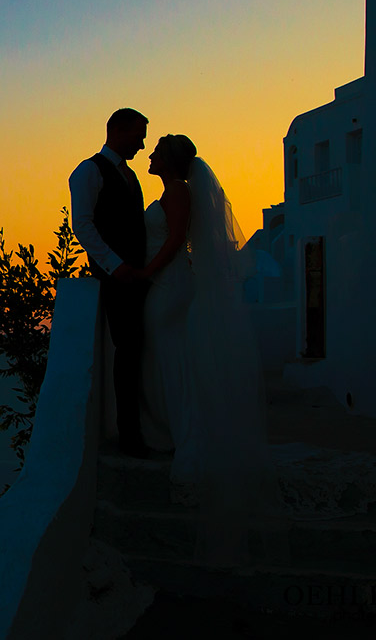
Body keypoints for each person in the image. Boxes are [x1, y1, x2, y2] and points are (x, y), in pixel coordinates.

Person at [140, 134, 287, 567]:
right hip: (168, 283)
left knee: (173, 364)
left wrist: (147, 272)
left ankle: (188, 441)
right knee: (171, 363)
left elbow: (176, 241)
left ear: (167, 160)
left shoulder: (179, 193)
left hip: (168, 286)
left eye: (156, 152)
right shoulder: (172, 191)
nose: (150, 156)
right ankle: (177, 433)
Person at [69, 108, 156, 459]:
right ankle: (129, 434)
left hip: (138, 275)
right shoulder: (88, 171)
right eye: (138, 135)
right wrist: (114, 266)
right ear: (117, 131)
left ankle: (140, 428)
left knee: (137, 350)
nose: (142, 143)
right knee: (128, 350)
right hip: (116, 277)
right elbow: (84, 226)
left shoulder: (130, 175)